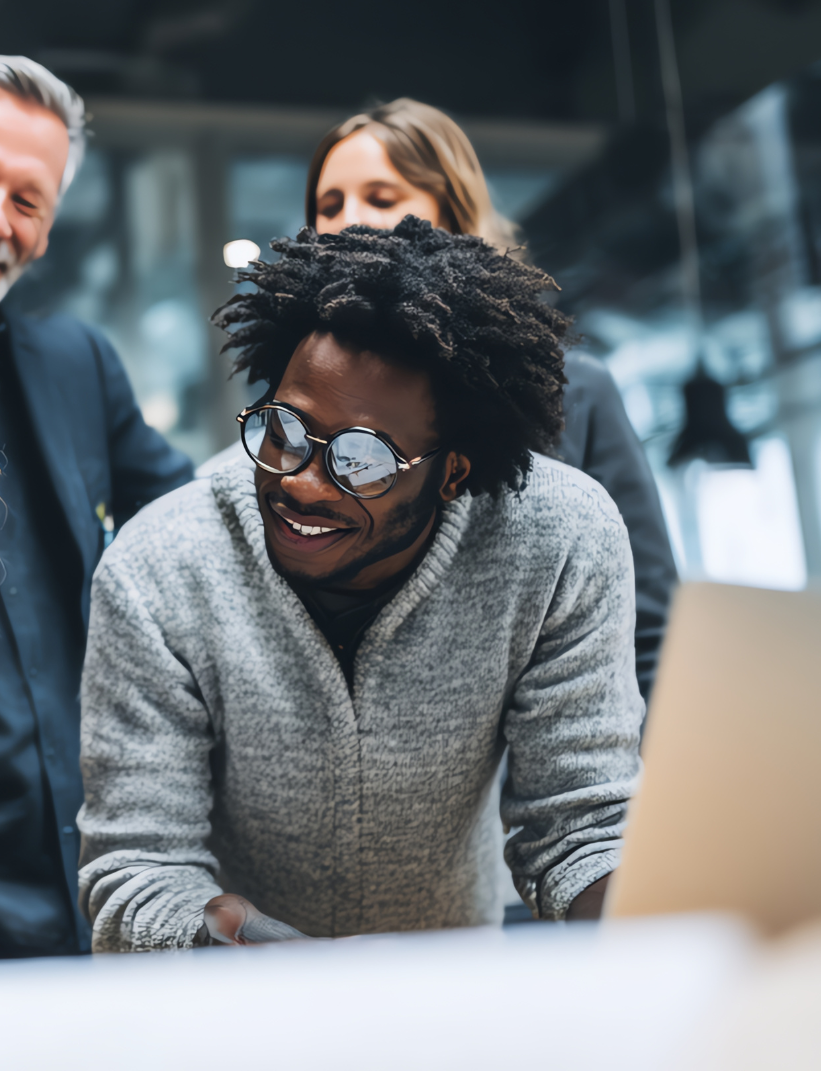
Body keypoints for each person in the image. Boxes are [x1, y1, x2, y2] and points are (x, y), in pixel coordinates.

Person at [78, 219, 645, 951]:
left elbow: (581, 826)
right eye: (284, 430)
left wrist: (649, 922)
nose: (303, 484)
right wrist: (235, 942)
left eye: (361, 460)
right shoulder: (161, 565)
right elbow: (136, 867)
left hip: (450, 997)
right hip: (231, 1021)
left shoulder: (559, 540)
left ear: (454, 473)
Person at [0, 57, 195, 964]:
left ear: (50, 229)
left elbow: (195, 526)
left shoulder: (76, 363)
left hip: (74, 871)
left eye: (27, 199)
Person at [306, 98, 676, 700]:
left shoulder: (576, 390)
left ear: (450, 215)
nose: (348, 220)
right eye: (328, 205)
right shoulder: (301, 416)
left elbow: (648, 623)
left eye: (380, 197)